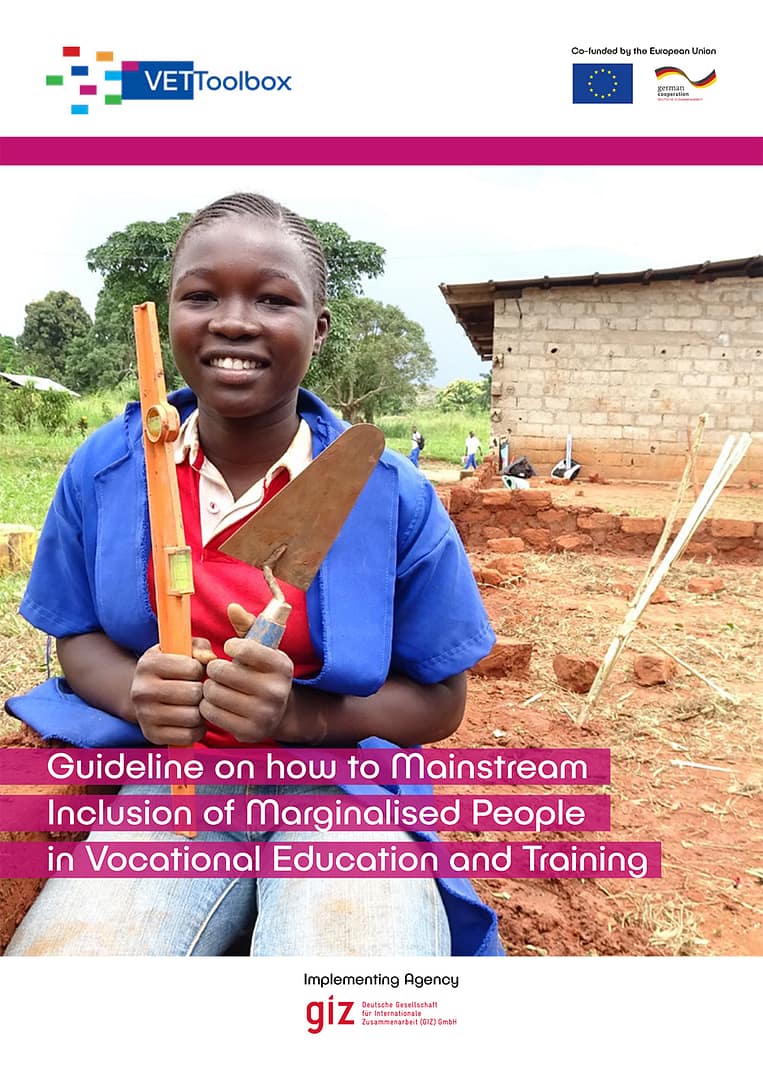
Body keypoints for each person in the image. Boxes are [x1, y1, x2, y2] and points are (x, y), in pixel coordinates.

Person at [4, 192, 501, 958]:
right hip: (169, 791)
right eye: (201, 295)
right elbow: (77, 638)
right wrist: (136, 691)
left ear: (319, 328)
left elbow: (441, 700)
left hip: (339, 795)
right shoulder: (106, 470)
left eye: (272, 298)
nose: (233, 320)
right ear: (168, 315)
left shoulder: (386, 492)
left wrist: (299, 721)